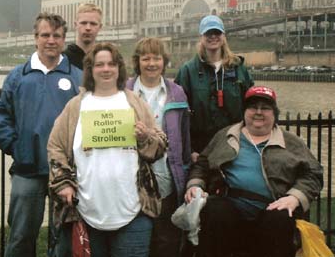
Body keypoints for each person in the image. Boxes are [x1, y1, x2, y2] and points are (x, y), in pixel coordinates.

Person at [47, 42, 167, 257]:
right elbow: (55, 147)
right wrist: (63, 183)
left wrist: (144, 138)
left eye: (112, 64)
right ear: (90, 70)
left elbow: (159, 148)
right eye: (99, 64)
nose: (106, 69)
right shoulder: (75, 106)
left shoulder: (135, 103)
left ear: (119, 68)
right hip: (86, 211)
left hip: (133, 211)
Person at [184, 86, 323, 257]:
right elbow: (202, 164)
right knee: (215, 210)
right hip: (229, 208)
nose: (258, 112)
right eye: (252, 107)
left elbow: (313, 174)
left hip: (271, 210)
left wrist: (294, 197)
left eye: (265, 108)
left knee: (280, 219)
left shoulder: (292, 142)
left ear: (274, 113)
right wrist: (195, 185)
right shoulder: (225, 136)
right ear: (244, 111)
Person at [0, 13, 82, 257]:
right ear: (35, 38)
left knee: (63, 240)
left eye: (56, 36)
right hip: (27, 169)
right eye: (45, 35)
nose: (50, 40)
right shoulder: (18, 76)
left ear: (64, 40)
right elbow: (2, 113)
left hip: (65, 173)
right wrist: (15, 145)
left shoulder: (76, 77)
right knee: (21, 236)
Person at [126, 37, 191, 257]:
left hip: (166, 179)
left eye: (157, 58)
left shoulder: (177, 93)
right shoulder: (124, 91)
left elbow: (184, 137)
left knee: (166, 241)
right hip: (131, 181)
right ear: (137, 62)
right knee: (136, 240)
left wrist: (184, 171)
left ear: (164, 61)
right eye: (146, 58)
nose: (151, 63)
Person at [175, 15, 254, 163]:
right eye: (208, 33)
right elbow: (178, 114)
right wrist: (189, 150)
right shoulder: (188, 71)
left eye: (217, 33)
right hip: (200, 151)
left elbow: (251, 106)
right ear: (201, 37)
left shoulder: (238, 68)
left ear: (223, 36)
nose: (213, 37)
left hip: (235, 147)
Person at [63, 3, 103, 69]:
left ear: (100, 27)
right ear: (76, 25)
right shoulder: (62, 59)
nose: (88, 28)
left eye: (93, 24)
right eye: (83, 23)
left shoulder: (105, 60)